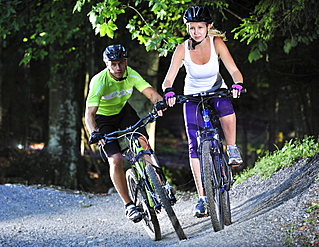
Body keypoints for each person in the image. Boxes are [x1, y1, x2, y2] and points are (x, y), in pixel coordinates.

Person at [162, 6, 244, 218]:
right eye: (191, 28)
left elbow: (234, 70)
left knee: (226, 109)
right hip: (192, 96)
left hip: (216, 90)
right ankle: (203, 198)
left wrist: (237, 84)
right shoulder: (182, 49)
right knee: (193, 145)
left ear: (208, 27)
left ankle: (232, 149)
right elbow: (168, 79)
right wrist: (169, 92)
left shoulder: (217, 43)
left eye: (200, 27)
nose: (196, 31)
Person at [85, 44, 166, 223]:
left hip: (124, 113)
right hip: (103, 120)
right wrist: (94, 132)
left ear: (126, 61)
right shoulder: (99, 81)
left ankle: (161, 188)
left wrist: (160, 103)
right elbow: (89, 114)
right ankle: (129, 205)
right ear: (106, 64)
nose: (118, 68)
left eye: (121, 63)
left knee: (144, 143)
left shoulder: (131, 74)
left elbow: (151, 93)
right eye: (113, 64)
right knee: (115, 160)